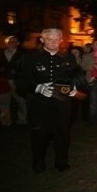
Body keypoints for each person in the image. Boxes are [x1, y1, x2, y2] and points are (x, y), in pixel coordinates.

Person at [16, 28, 85, 173]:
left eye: (57, 39)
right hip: (39, 104)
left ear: (61, 40)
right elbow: (21, 82)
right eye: (49, 39)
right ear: (42, 40)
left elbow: (77, 79)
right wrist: (37, 88)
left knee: (63, 134)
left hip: (63, 104)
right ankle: (38, 161)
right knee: (40, 134)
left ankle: (61, 161)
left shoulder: (68, 58)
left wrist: (75, 89)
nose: (53, 42)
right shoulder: (31, 58)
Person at [0, 35, 27, 126]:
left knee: (20, 100)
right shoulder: (0, 54)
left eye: (13, 42)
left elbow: (25, 68)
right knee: (3, 102)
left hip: (17, 80)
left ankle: (22, 119)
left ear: (17, 43)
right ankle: (5, 120)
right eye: (8, 42)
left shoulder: (22, 54)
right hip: (3, 81)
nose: (10, 44)